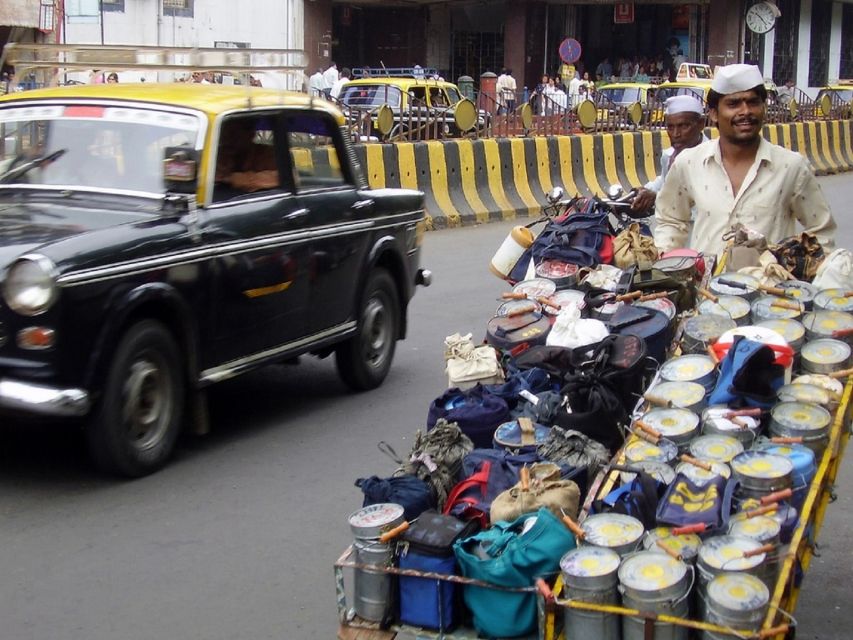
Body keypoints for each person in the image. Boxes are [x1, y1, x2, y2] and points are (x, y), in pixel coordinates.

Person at [653, 64, 836, 257]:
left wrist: (800, 272)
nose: (745, 111)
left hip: (768, 286)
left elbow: (822, 232)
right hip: (704, 286)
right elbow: (670, 220)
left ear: (764, 108)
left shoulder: (791, 167)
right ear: (714, 113)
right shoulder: (689, 163)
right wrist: (668, 265)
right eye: (733, 104)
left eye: (753, 102)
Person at [631, 94, 708, 213]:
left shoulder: (712, 159)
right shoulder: (669, 156)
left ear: (701, 124)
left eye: (684, 126)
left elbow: (704, 205)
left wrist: (658, 197)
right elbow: (664, 181)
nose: (676, 134)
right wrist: (643, 191)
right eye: (670, 127)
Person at [214, 119, 279, 196]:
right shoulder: (219, 154)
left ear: (250, 134)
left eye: (233, 134)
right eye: (224, 133)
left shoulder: (267, 153)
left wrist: (235, 179)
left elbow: (283, 178)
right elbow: (212, 179)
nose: (227, 138)